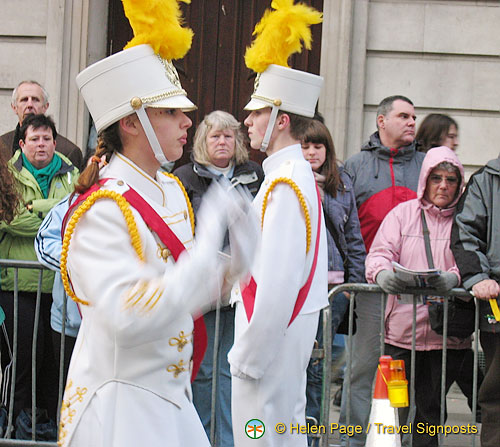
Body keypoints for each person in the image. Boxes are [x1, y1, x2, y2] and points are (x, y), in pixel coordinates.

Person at [57, 36, 257, 447]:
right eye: (171, 112)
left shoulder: (169, 188)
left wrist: (237, 261)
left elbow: (189, 291)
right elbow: (128, 316)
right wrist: (205, 257)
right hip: (122, 407)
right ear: (132, 123)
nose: (188, 121)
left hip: (171, 395)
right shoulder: (103, 209)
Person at [228, 3, 327, 446]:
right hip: (277, 341)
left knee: (262, 436)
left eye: (256, 113)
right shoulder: (286, 177)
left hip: (268, 344)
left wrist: (248, 355)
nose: (246, 121)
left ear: (281, 122)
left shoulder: (286, 184)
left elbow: (279, 283)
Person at [366, 146, 469, 446]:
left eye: (451, 179)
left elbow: (474, 260)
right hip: (400, 334)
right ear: (425, 179)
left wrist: (455, 278)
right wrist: (382, 274)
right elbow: (380, 253)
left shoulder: (465, 219)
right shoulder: (402, 214)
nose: (443, 185)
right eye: (436, 178)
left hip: (445, 336)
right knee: (394, 410)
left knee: (431, 414)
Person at [338, 95, 425, 446]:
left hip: (415, 293)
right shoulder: (355, 166)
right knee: (361, 371)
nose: (411, 123)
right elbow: (344, 224)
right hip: (370, 290)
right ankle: (352, 440)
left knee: (408, 375)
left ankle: (402, 440)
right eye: (403, 116)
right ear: (381, 121)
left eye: (414, 117)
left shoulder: (425, 165)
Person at [175, 110, 263, 446]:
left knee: (230, 370)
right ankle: (200, 436)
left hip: (242, 288)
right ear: (202, 142)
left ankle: (227, 439)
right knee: (204, 370)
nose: (222, 141)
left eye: (228, 135)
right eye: (215, 136)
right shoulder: (184, 177)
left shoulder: (255, 174)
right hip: (203, 286)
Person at [0, 113, 79, 432]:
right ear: (22, 143)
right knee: (19, 363)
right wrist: (53, 212)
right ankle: (10, 429)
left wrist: (36, 208)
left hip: (59, 288)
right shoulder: (7, 174)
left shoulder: (74, 173)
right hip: (18, 286)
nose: (41, 144)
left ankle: (52, 430)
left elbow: (75, 215)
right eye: (34, 139)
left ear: (55, 142)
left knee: (54, 366)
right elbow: (10, 218)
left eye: (47, 138)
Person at [301, 119, 366, 432]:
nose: (312, 152)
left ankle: (313, 430)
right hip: (298, 284)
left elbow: (352, 236)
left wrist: (354, 283)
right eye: (306, 145)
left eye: (318, 145)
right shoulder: (284, 178)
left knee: (319, 366)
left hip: (332, 287)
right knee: (298, 362)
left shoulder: (340, 183)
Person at [451, 157, 500, 447]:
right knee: (497, 391)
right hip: (497, 300)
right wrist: (477, 277)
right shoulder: (487, 179)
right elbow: (465, 233)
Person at [1, 81, 83, 170]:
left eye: (35, 100)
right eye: (24, 100)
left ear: (45, 107)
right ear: (14, 107)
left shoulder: (69, 151)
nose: (30, 105)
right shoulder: (2, 145)